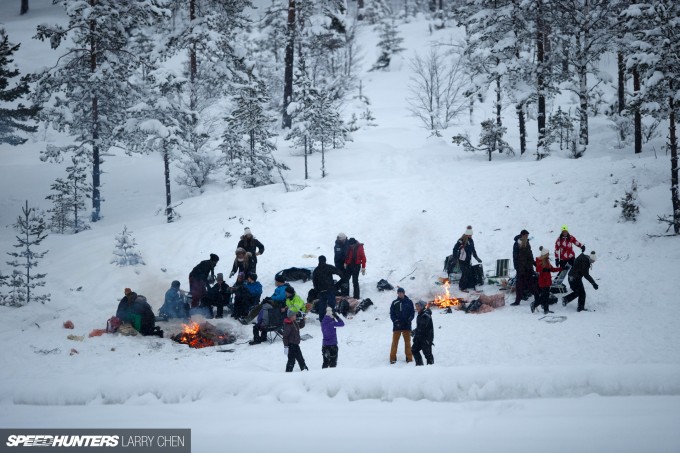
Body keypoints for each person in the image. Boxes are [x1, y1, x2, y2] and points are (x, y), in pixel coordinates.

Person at [511, 230, 539, 306]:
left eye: (527, 235)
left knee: (532, 284)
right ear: (522, 235)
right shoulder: (517, 244)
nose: (526, 237)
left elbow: (530, 254)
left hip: (529, 267)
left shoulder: (527, 243)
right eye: (525, 235)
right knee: (519, 285)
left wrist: (534, 263)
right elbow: (515, 257)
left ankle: (537, 299)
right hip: (521, 268)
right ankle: (517, 301)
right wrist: (517, 267)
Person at [532, 247, 562, 315]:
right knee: (544, 296)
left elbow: (552, 269)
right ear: (545, 254)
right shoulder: (539, 261)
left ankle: (546, 309)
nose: (548, 255)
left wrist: (561, 268)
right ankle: (534, 304)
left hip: (547, 281)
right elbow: (538, 269)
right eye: (547, 254)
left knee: (546, 296)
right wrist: (545, 270)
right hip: (543, 281)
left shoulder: (547, 261)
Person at [312, 255, 343, 321]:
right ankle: (331, 318)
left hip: (321, 291)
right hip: (330, 290)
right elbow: (338, 271)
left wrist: (317, 290)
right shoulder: (328, 267)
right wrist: (343, 279)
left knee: (322, 307)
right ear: (325, 260)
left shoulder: (316, 270)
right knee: (331, 306)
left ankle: (322, 319)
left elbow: (314, 282)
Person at [452, 225, 482, 291]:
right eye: (470, 235)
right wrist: (454, 258)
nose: (471, 236)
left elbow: (473, 250)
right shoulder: (461, 240)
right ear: (467, 234)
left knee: (468, 273)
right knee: (465, 273)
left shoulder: (471, 241)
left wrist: (476, 257)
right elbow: (455, 249)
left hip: (468, 260)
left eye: (471, 235)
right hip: (462, 260)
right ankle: (462, 287)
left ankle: (466, 285)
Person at [389, 287, 415, 364]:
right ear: (397, 293)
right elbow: (392, 314)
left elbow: (412, 313)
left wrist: (409, 320)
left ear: (404, 293)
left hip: (406, 326)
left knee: (407, 343)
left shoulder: (409, 302)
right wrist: (395, 321)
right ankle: (392, 358)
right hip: (397, 326)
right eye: (398, 292)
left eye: (401, 292)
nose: (400, 294)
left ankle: (409, 358)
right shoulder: (394, 302)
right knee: (394, 343)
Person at [412, 300, 434, 366]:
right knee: (414, 350)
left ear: (422, 307)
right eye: (416, 306)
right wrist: (414, 332)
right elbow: (419, 327)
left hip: (426, 338)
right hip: (420, 337)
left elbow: (422, 326)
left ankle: (431, 369)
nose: (416, 308)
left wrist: (415, 332)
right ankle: (419, 366)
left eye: (418, 306)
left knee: (428, 355)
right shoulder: (420, 314)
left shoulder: (426, 315)